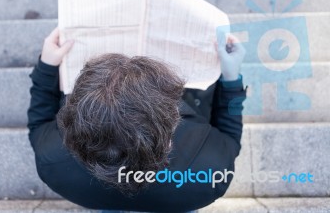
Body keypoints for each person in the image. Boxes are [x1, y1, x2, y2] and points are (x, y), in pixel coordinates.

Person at [27, 27, 247, 212]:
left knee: (110, 200)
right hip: (182, 196)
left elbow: (40, 122)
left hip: (91, 191)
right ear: (170, 137)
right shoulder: (210, 177)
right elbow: (230, 135)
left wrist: (47, 67)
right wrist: (231, 80)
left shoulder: (51, 161)